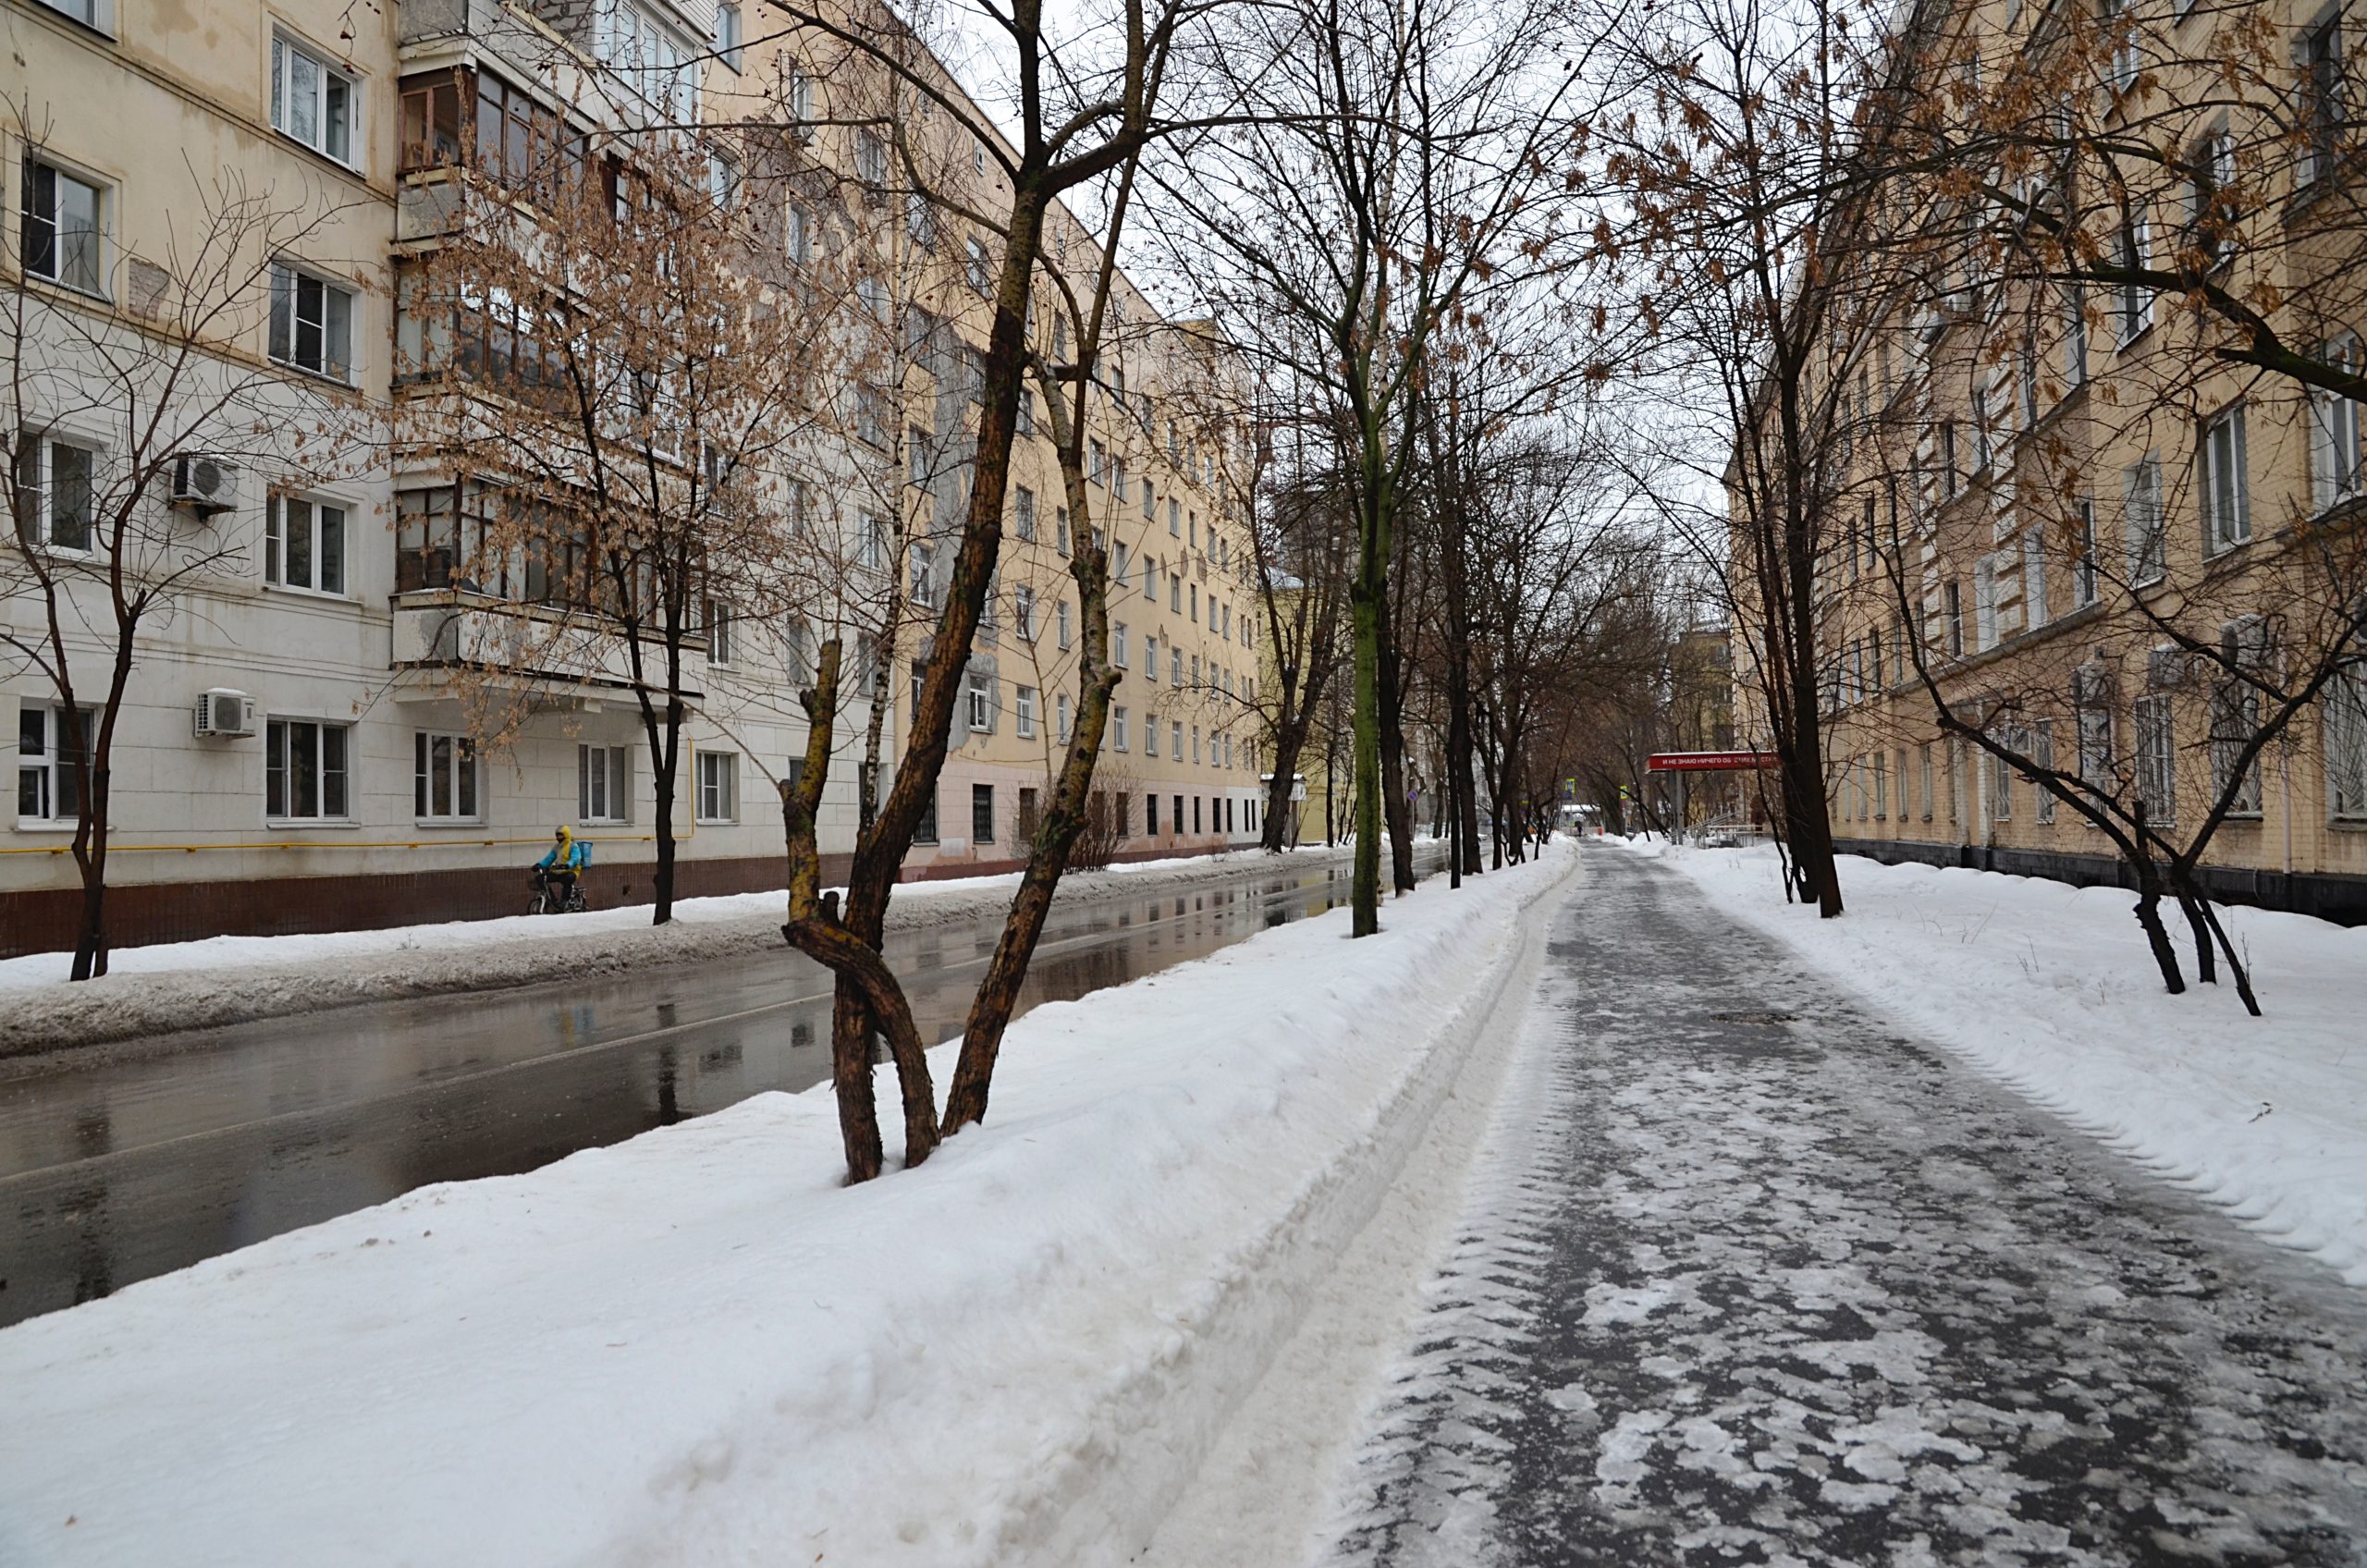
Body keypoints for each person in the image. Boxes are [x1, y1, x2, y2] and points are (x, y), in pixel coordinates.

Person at [534, 826, 588, 911]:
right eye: (557, 835)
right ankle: (552, 900)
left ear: (566, 835)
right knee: (540, 878)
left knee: (567, 879)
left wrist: (568, 865)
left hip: (571, 871)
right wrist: (539, 865)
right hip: (558, 871)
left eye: (560, 835)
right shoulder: (557, 847)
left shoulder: (573, 846)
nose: (558, 837)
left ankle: (564, 901)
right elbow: (549, 858)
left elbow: (576, 858)